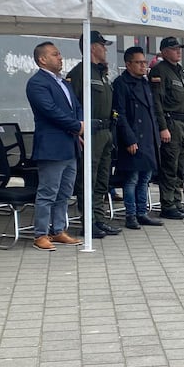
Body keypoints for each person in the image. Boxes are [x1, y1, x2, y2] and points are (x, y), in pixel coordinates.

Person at [25, 41, 83, 251]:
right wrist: (77, 126)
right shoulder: (37, 83)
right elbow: (50, 111)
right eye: (55, 54)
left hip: (69, 145)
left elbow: (76, 107)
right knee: (48, 191)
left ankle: (58, 230)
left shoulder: (64, 83)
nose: (60, 58)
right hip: (52, 146)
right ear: (42, 59)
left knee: (65, 192)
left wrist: (79, 125)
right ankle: (41, 234)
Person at [66, 31, 122, 238]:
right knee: (87, 179)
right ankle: (88, 222)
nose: (105, 49)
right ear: (92, 47)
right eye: (102, 45)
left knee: (102, 180)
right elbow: (72, 105)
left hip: (105, 131)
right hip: (91, 132)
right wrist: (75, 131)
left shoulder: (100, 73)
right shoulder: (80, 73)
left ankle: (100, 219)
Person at [112, 45, 162, 228]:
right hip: (133, 139)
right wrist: (129, 139)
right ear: (128, 64)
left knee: (145, 179)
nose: (143, 66)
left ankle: (142, 212)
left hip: (148, 139)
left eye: (144, 62)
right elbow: (120, 114)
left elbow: (153, 111)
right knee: (132, 179)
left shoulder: (145, 83)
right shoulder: (121, 84)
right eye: (139, 62)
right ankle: (131, 214)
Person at [150, 36, 184, 220]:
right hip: (171, 122)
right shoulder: (160, 71)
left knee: (180, 166)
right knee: (170, 164)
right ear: (164, 51)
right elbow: (157, 102)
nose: (179, 51)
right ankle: (167, 204)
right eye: (175, 49)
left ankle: (176, 201)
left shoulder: (180, 72)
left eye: (179, 48)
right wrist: (163, 127)